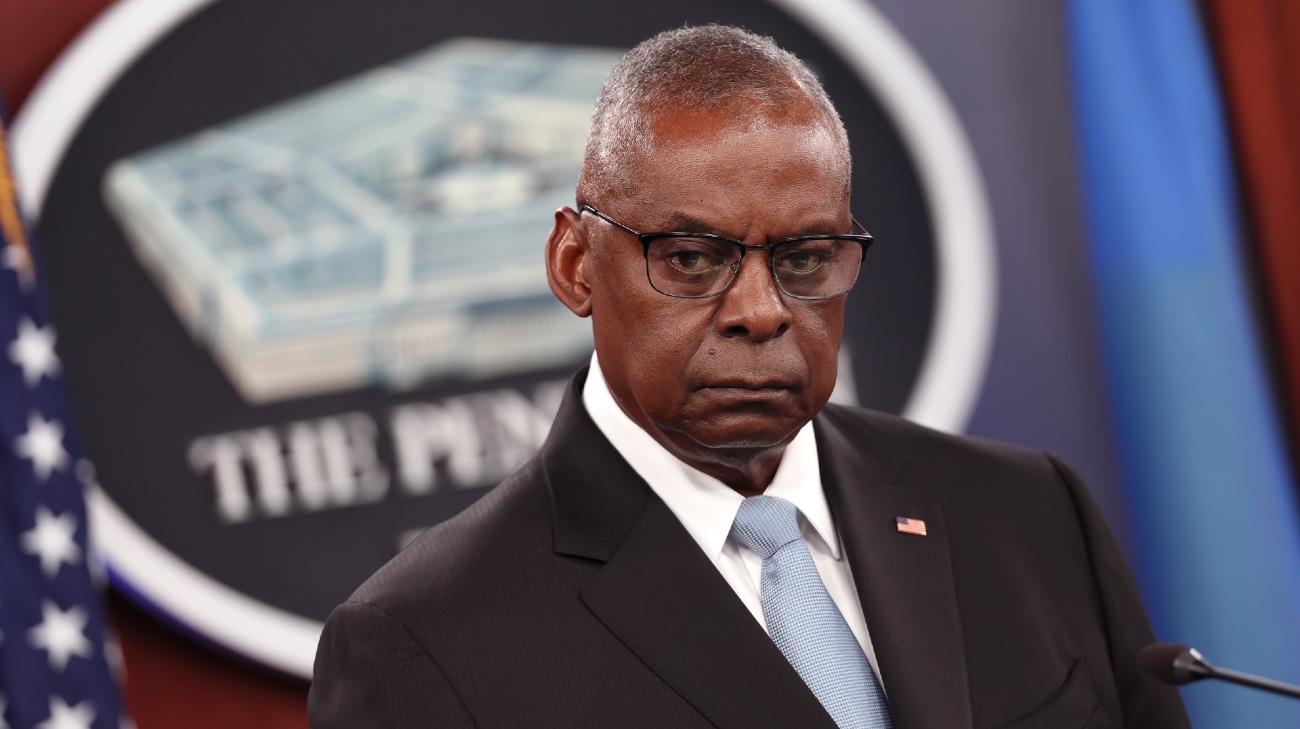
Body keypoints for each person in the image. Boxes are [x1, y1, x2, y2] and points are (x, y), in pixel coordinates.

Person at [309, 25, 1190, 729]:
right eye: (693, 258)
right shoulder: (423, 640)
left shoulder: (1031, 514)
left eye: (805, 258)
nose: (761, 311)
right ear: (575, 265)